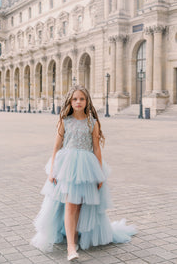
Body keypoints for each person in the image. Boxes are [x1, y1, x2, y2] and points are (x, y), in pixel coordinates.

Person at [30, 85, 137, 261]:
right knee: (70, 204)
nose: (78, 102)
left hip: (86, 168)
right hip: (67, 167)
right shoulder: (65, 121)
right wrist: (52, 171)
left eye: (81, 99)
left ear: (87, 101)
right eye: (74, 99)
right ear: (70, 102)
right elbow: (56, 147)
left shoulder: (92, 122)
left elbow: (96, 148)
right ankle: (71, 247)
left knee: (79, 204)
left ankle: (74, 235)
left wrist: (100, 173)